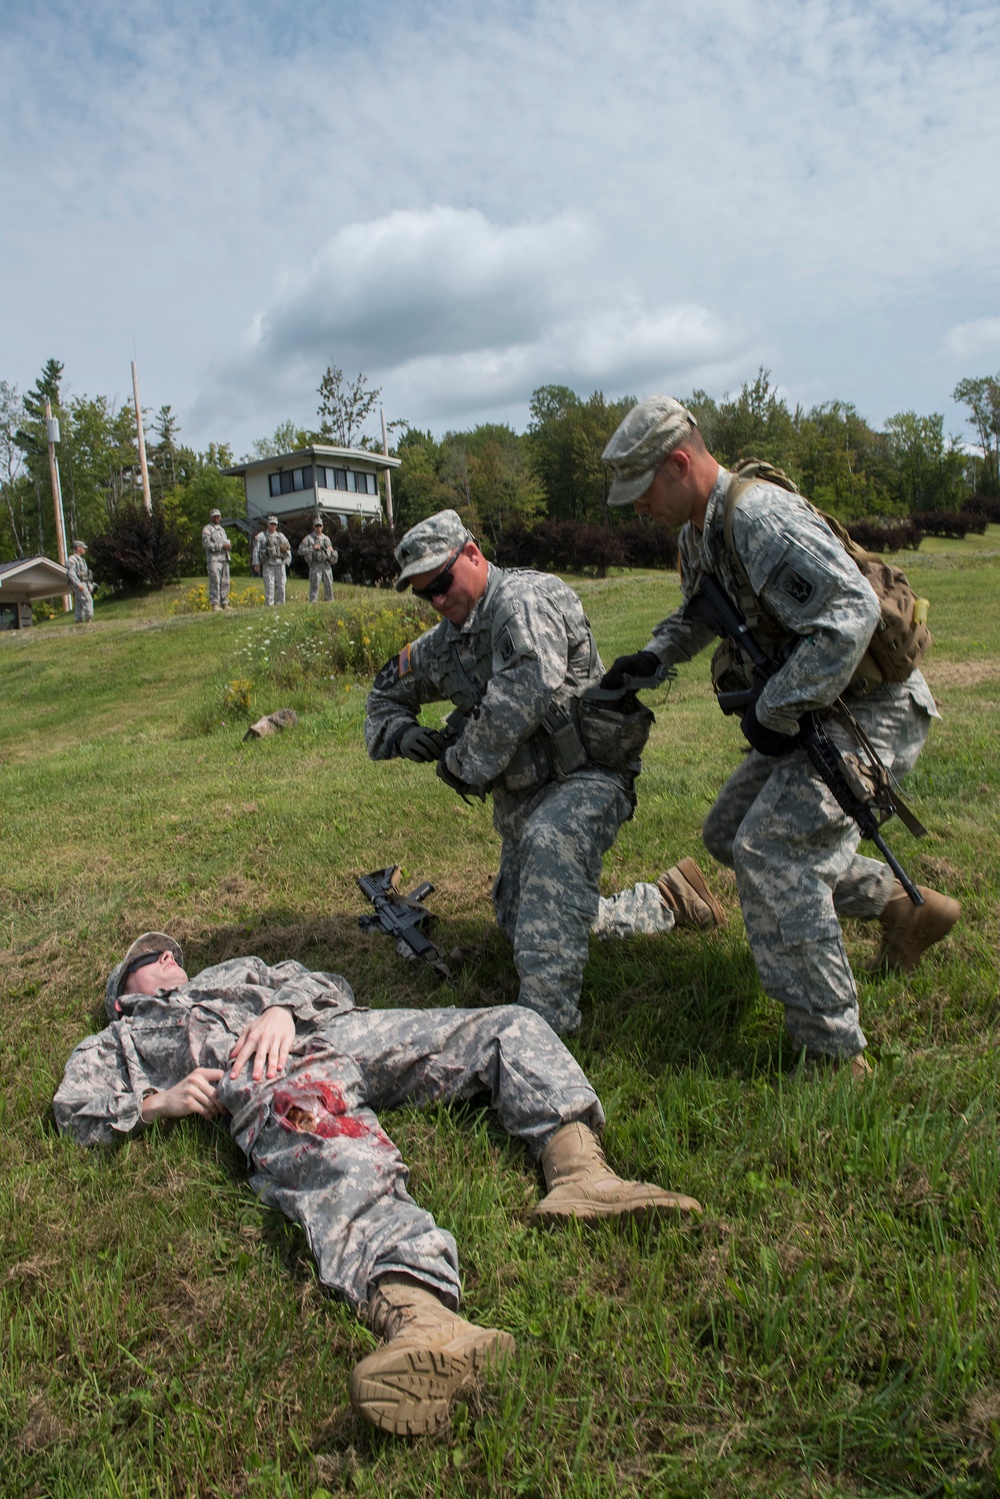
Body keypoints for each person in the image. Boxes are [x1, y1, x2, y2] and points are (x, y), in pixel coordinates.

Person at [53, 932, 701, 1436]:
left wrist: (281, 1006)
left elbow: (323, 980)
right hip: (265, 1074)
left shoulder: (236, 973)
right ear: (121, 992)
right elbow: (73, 1109)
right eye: (149, 956)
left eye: (171, 951)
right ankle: (422, 1317)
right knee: (337, 1153)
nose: (168, 957)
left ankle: (582, 1172)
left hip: (336, 1032)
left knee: (507, 1024)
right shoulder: (119, 1039)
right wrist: (156, 1101)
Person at [600, 396, 961, 1077]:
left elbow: (851, 615)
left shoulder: (760, 517)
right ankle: (899, 908)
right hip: (819, 706)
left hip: (873, 709)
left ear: (680, 462)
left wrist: (775, 708)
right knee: (727, 830)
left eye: (641, 492)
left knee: (772, 850)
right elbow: (700, 612)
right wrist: (653, 656)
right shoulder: (697, 530)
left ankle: (831, 1051)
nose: (636, 509)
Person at [365, 509, 724, 1037]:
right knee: (523, 916)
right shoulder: (443, 644)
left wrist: (458, 763)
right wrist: (399, 733)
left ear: (472, 554)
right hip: (525, 796)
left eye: (442, 582)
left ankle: (544, 1034)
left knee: (550, 847)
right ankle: (668, 900)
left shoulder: (524, 601)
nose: (438, 600)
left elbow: (523, 692)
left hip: (589, 777)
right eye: (426, 594)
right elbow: (381, 694)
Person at [298, 515, 338, 602]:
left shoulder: (326, 539)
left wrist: (331, 551)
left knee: (329, 586)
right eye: (316, 526)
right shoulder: (308, 538)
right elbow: (300, 551)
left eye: (320, 526)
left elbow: (330, 550)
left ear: (323, 527)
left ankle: (329, 603)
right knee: (314, 587)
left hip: (326, 566)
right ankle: (313, 604)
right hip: (315, 567)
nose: (318, 528)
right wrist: (312, 548)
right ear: (313, 527)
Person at [253, 515, 292, 605]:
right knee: (269, 586)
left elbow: (288, 548)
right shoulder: (261, 536)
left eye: (275, 524)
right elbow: (256, 550)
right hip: (268, 564)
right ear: (267, 524)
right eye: (271, 524)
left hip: (280, 564)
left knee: (281, 585)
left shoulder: (281, 536)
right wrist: (256, 564)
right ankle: (269, 605)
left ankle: (280, 604)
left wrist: (287, 561)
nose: (273, 526)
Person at [201, 508, 232, 611]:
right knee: (215, 581)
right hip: (214, 560)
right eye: (214, 516)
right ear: (211, 517)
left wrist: (228, 546)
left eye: (218, 516)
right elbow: (207, 544)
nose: (216, 518)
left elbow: (226, 542)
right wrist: (221, 546)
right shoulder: (207, 529)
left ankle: (225, 603)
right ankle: (215, 604)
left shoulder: (222, 530)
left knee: (225, 582)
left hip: (224, 558)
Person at [66, 539, 94, 623]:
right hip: (79, 583)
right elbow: (71, 573)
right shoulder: (72, 559)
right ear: (78, 548)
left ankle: (78, 620)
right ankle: (88, 619)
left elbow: (86, 575)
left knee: (79, 603)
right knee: (87, 600)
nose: (84, 549)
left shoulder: (82, 560)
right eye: (83, 548)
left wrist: (89, 585)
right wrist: (78, 584)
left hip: (84, 582)